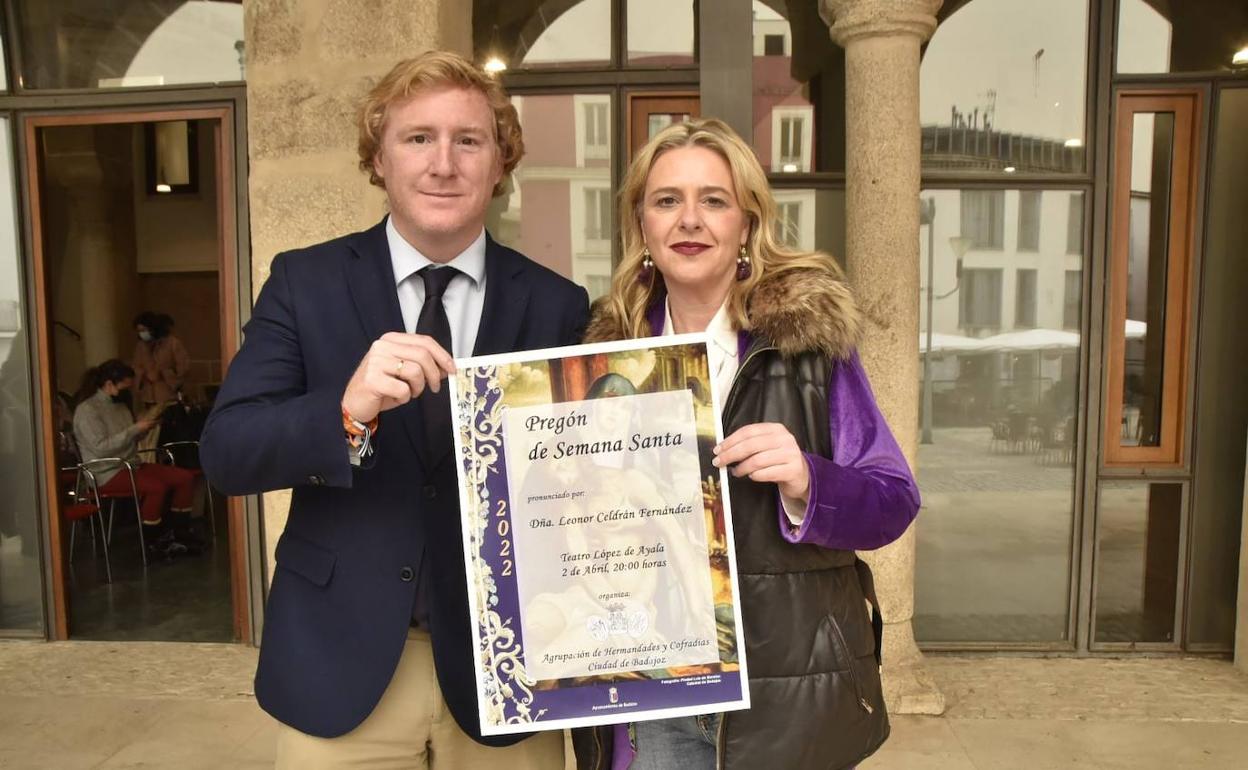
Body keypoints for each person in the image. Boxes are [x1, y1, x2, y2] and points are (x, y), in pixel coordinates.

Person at [199, 51, 589, 769]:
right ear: (378, 159)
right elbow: (227, 452)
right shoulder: (303, 282)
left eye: (468, 140)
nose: (444, 164)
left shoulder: (557, 304)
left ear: (501, 162)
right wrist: (345, 409)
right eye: (418, 139)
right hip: (340, 663)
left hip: (510, 673)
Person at [572, 118, 921, 770]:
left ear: (747, 224)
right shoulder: (604, 354)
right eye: (667, 200)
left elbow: (894, 499)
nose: (690, 220)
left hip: (789, 691)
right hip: (653, 683)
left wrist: (809, 481)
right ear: (642, 226)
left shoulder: (808, 344)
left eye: (714, 200)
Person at [71, 359, 198, 558]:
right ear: (109, 384)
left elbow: (129, 440)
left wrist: (145, 428)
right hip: (106, 471)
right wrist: (134, 430)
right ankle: (151, 541)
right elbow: (101, 449)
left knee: (184, 478)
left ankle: (178, 532)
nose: (129, 391)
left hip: (131, 463)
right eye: (125, 386)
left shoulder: (121, 407)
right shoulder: (87, 410)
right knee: (156, 487)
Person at [131, 311, 190, 408]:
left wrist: (163, 374)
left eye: (144, 330)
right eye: (139, 331)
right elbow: (136, 366)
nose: (142, 333)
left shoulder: (173, 343)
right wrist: (144, 375)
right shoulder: (140, 346)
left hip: (168, 395)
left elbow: (183, 368)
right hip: (148, 396)